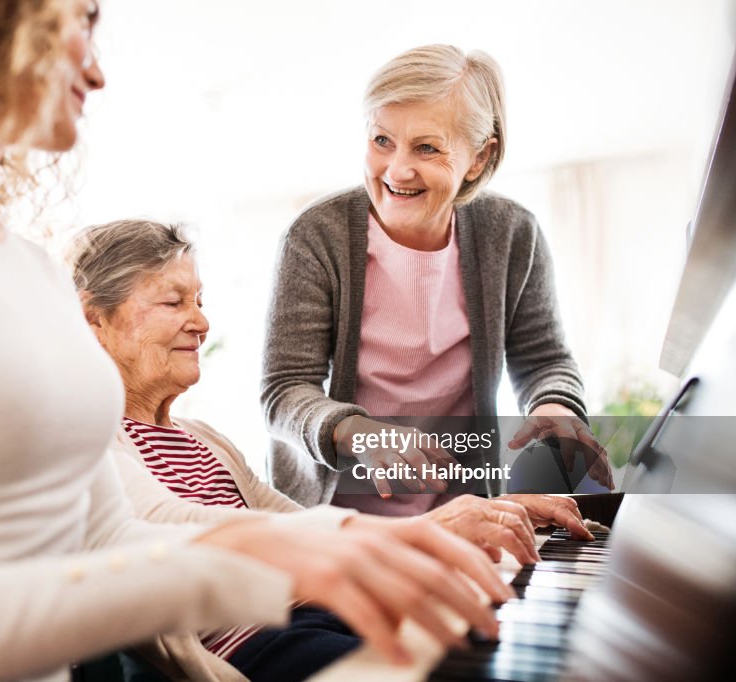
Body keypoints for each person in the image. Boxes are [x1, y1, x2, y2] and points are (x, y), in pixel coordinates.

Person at [0, 6, 505, 681]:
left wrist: (339, 538)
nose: (97, 72)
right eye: (81, 22)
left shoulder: (22, 263)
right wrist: (284, 560)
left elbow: (107, 534)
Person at [71, 219, 537, 681]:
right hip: (260, 647)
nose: (201, 322)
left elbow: (300, 530)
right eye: (174, 302)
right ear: (94, 319)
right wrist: (419, 534)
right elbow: (165, 529)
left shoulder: (206, 439)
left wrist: (468, 523)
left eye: (199, 301)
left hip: (322, 617)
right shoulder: (87, 440)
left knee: (490, 645)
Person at [260, 44, 610, 533]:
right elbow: (284, 391)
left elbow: (544, 358)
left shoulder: (511, 233)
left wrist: (554, 407)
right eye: (382, 140)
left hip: (460, 514)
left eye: (427, 147)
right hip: (336, 525)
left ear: (478, 157)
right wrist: (357, 432)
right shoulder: (316, 237)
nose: (397, 170)